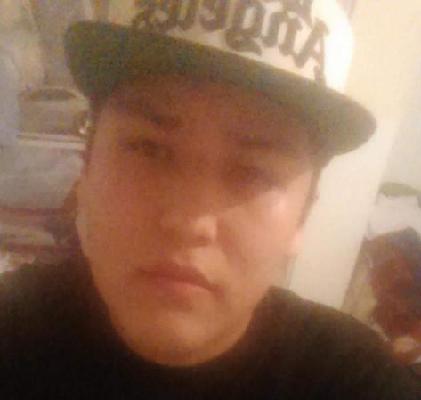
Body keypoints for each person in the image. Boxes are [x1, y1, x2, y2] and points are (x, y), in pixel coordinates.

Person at [0, 0, 419, 398]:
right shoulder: (13, 327)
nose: (189, 222)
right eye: (148, 149)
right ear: (86, 171)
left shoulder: (357, 381)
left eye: (254, 172)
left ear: (303, 216)